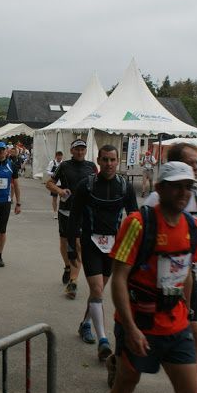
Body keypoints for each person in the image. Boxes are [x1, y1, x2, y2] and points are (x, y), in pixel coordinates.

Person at [107, 161, 197, 393]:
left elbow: (187, 273)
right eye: (176, 187)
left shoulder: (192, 227)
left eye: (188, 187)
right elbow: (119, 277)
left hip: (176, 325)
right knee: (125, 385)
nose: (183, 193)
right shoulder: (138, 223)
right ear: (159, 188)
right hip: (140, 323)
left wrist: (189, 313)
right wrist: (130, 328)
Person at [142, 143, 197, 393]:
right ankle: (119, 358)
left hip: (185, 279)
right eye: (191, 164)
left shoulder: (196, 201)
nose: (196, 168)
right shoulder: (154, 202)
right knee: (132, 365)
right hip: (149, 288)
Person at [67, 145, 138, 356]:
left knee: (97, 292)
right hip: (91, 244)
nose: (108, 164)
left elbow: (135, 219)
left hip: (114, 248)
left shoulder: (126, 187)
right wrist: (72, 247)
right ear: (98, 160)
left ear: (118, 161)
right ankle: (103, 341)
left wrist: (134, 250)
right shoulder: (86, 186)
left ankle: (85, 324)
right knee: (97, 290)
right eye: (105, 159)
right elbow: (74, 217)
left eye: (112, 160)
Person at [45, 139, 97, 299]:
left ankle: (73, 281)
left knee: (78, 245)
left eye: (82, 149)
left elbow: (98, 186)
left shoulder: (92, 167)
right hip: (66, 211)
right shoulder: (64, 166)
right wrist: (60, 191)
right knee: (64, 243)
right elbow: (49, 183)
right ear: (71, 150)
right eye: (77, 149)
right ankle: (67, 266)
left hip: (83, 213)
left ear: (85, 151)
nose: (80, 152)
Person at [46, 151, 64, 219]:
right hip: (54, 183)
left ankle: (61, 212)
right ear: (56, 156)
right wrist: (54, 174)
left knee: (63, 199)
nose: (59, 157)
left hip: (62, 183)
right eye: (58, 156)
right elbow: (47, 171)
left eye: (60, 156)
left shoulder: (63, 163)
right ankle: (55, 212)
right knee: (54, 199)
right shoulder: (52, 162)